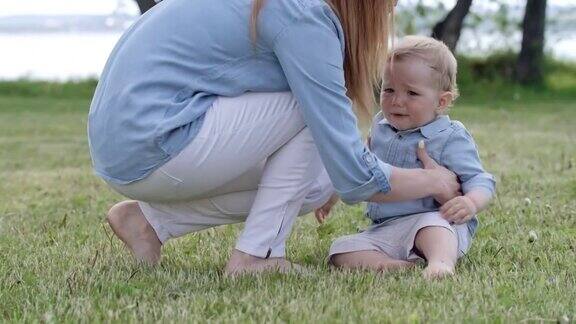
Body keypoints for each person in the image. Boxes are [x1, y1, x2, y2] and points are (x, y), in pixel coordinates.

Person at [88, 0, 461, 276]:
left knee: (315, 184)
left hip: (126, 144)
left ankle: (150, 222)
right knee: (310, 110)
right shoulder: (306, 14)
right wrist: (434, 179)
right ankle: (256, 256)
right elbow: (354, 176)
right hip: (154, 138)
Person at [323, 35, 496, 279]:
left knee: (433, 227)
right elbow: (358, 166)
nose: (397, 101)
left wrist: (470, 203)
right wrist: (330, 196)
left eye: (412, 93)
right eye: (389, 89)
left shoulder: (449, 136)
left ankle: (441, 264)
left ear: (442, 101)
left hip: (436, 222)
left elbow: (481, 180)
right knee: (340, 249)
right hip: (386, 228)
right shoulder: (380, 128)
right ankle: (390, 265)